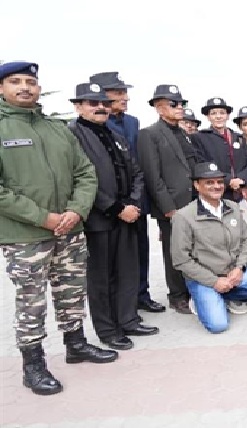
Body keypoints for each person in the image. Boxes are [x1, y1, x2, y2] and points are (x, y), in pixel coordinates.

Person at [0, 62, 118, 396]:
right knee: (31, 301)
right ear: (1, 88)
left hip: (69, 229)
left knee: (71, 290)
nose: (25, 87)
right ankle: (33, 365)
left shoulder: (57, 128)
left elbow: (85, 172)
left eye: (30, 81)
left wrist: (75, 211)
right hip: (25, 236)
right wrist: (43, 218)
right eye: (15, 81)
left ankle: (76, 344)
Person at [68, 82, 159, 351]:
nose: (100, 108)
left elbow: (137, 172)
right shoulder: (72, 135)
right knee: (102, 278)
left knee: (127, 271)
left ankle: (128, 319)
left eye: (104, 103)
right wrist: (116, 208)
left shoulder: (115, 134)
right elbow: (79, 180)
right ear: (78, 107)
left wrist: (132, 203)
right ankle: (108, 330)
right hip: (99, 219)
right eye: (92, 103)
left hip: (128, 215)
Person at [90, 71, 165, 314]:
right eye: (118, 92)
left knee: (140, 250)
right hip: (110, 204)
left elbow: (138, 162)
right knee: (115, 259)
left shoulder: (132, 122)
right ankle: (122, 305)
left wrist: (137, 198)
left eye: (124, 92)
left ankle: (141, 295)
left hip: (136, 198)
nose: (125, 97)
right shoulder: (94, 124)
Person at [170, 163, 247, 332]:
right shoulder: (184, 217)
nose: (216, 186)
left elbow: (245, 241)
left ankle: (224, 295)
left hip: (232, 273)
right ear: (197, 185)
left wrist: (239, 268)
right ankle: (200, 299)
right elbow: (181, 260)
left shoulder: (233, 207)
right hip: (204, 278)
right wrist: (214, 281)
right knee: (218, 325)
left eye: (219, 182)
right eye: (209, 182)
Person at [137, 84, 199, 314]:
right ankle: (177, 295)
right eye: (173, 104)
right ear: (159, 107)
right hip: (172, 205)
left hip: (192, 202)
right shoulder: (149, 134)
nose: (179, 107)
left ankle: (193, 291)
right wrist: (168, 208)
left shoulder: (182, 133)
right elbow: (152, 176)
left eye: (182, 103)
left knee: (193, 249)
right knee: (174, 251)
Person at [191, 98, 247, 202]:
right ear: (208, 117)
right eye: (214, 113)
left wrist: (240, 179)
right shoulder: (200, 137)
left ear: (227, 116)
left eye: (222, 113)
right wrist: (228, 180)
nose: (218, 116)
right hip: (216, 191)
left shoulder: (238, 137)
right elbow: (201, 164)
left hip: (242, 190)